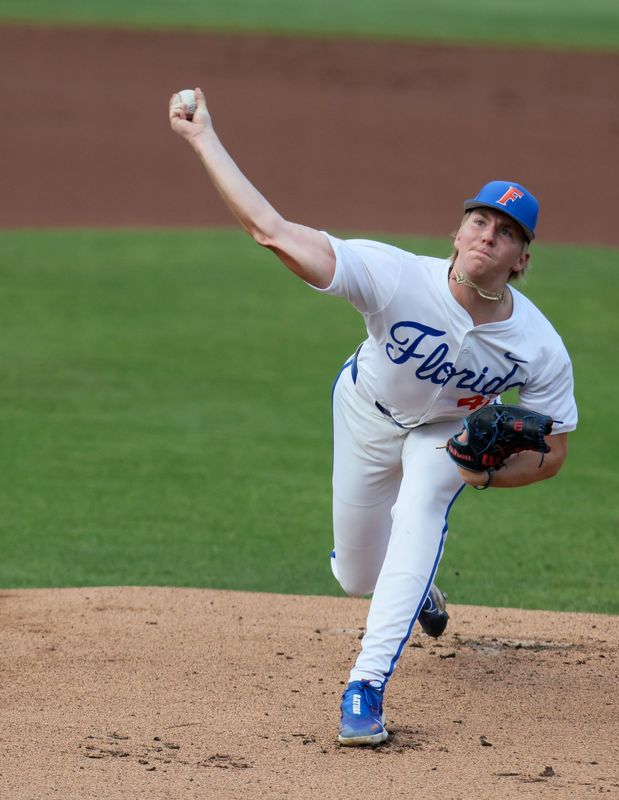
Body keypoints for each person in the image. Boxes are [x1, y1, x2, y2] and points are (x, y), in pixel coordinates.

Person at [169, 88, 577, 747]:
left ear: (521, 260)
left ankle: (363, 688)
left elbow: (554, 450)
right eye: (479, 222)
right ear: (458, 231)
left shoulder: (539, 347)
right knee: (358, 576)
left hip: (447, 433)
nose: (487, 236)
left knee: (423, 503)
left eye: (506, 233)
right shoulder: (394, 277)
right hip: (365, 412)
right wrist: (201, 138)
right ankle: (415, 590)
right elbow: (270, 230)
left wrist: (486, 477)